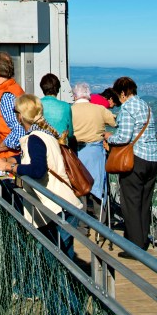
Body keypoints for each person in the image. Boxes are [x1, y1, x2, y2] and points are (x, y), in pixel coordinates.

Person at [0, 94, 81, 260]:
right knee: (63, 262)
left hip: (57, 207)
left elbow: (38, 169)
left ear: (20, 115)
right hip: (64, 205)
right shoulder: (44, 134)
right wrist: (11, 159)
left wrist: (8, 166)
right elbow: (34, 158)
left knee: (55, 264)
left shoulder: (34, 139)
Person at [106, 76, 157, 254]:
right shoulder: (145, 105)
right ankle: (142, 240)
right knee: (145, 203)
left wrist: (109, 138)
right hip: (153, 159)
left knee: (130, 203)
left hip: (135, 160)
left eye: (118, 95)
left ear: (122, 93)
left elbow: (124, 137)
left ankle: (134, 248)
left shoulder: (128, 107)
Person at [71, 81, 116, 217]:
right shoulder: (99, 109)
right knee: (98, 188)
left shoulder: (70, 110)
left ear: (75, 96)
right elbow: (114, 122)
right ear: (88, 96)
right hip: (96, 152)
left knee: (80, 187)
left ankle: (82, 225)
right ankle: (101, 228)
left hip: (76, 152)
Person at [40, 73, 73, 139]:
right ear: (58, 88)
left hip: (41, 144)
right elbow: (70, 133)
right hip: (60, 145)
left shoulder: (35, 104)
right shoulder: (66, 106)